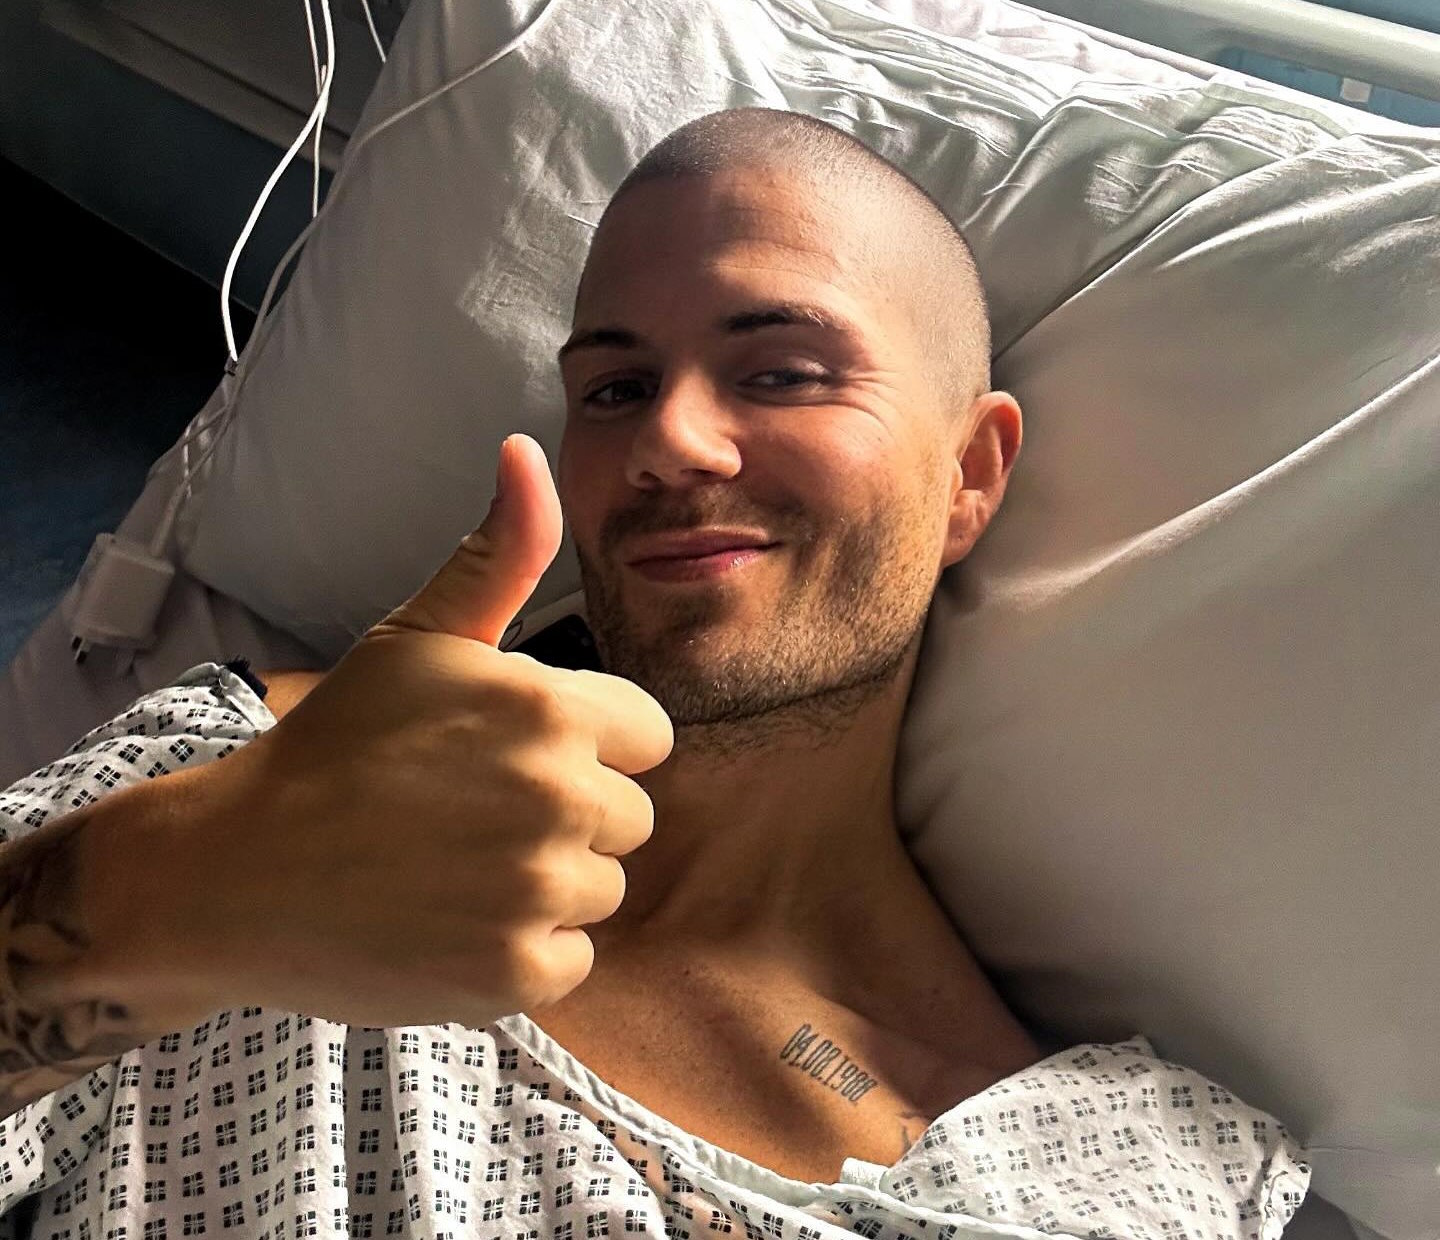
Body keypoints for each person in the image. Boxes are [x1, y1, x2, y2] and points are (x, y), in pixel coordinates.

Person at [0, 108, 1311, 1239]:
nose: (670, 441)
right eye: (616, 389)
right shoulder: (237, 772)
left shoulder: (1117, 1179)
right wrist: (184, 887)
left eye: (781, 371)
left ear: (969, 474)